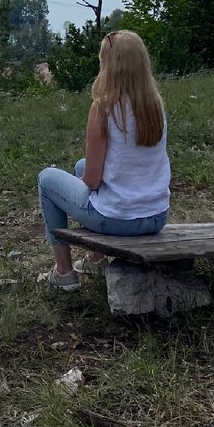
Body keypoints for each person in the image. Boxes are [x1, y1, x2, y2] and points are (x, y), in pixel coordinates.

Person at [37, 29, 170, 291]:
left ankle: (64, 273)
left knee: (47, 179)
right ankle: (95, 260)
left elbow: (93, 181)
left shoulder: (104, 107)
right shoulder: (154, 103)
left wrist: (82, 186)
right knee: (81, 164)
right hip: (156, 215)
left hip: (119, 219)